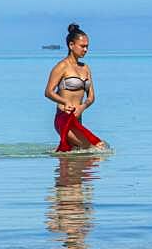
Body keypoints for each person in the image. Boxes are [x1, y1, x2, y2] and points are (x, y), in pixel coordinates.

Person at [44, 23, 106, 152]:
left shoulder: (86, 68)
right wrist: (65, 101)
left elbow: (91, 97)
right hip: (64, 117)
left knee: (75, 163)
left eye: (87, 47)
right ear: (71, 45)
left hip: (78, 119)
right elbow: (48, 92)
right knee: (96, 149)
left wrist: (82, 107)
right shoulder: (61, 66)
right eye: (82, 46)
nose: (85, 50)